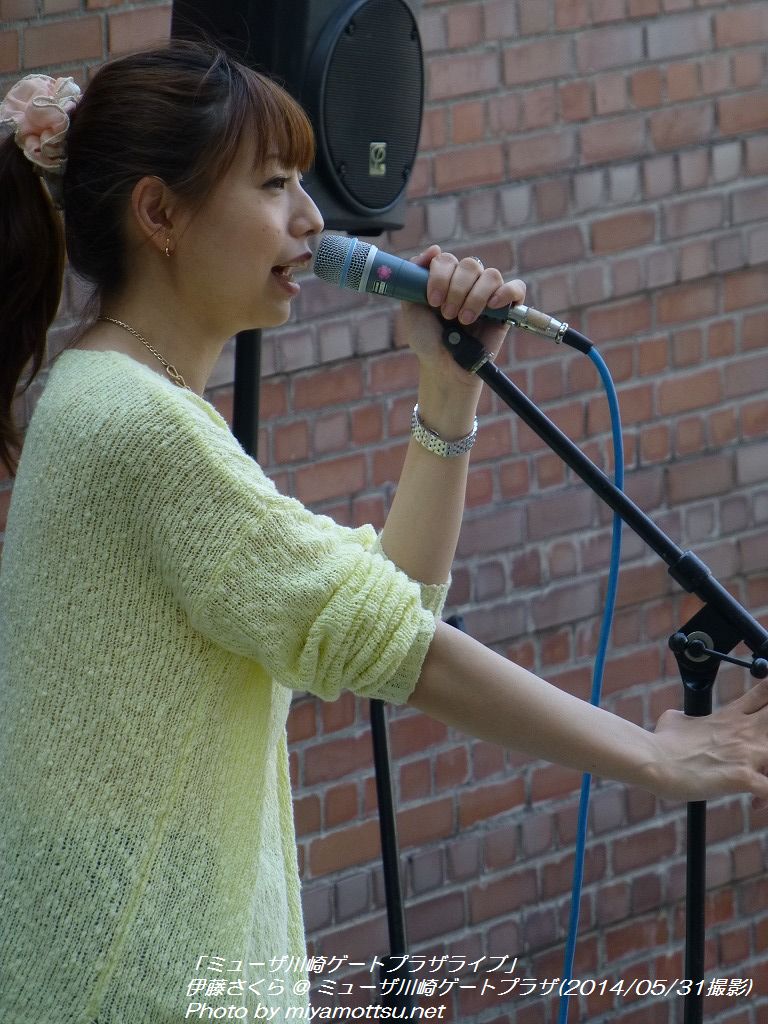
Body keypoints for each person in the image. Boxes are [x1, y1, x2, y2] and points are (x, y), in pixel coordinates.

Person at [0, 40, 766, 1024]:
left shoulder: (118, 399)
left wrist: (448, 392)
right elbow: (405, 647)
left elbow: (388, 613)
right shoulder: (136, 425)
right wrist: (654, 757)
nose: (313, 220)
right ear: (159, 214)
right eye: (273, 184)